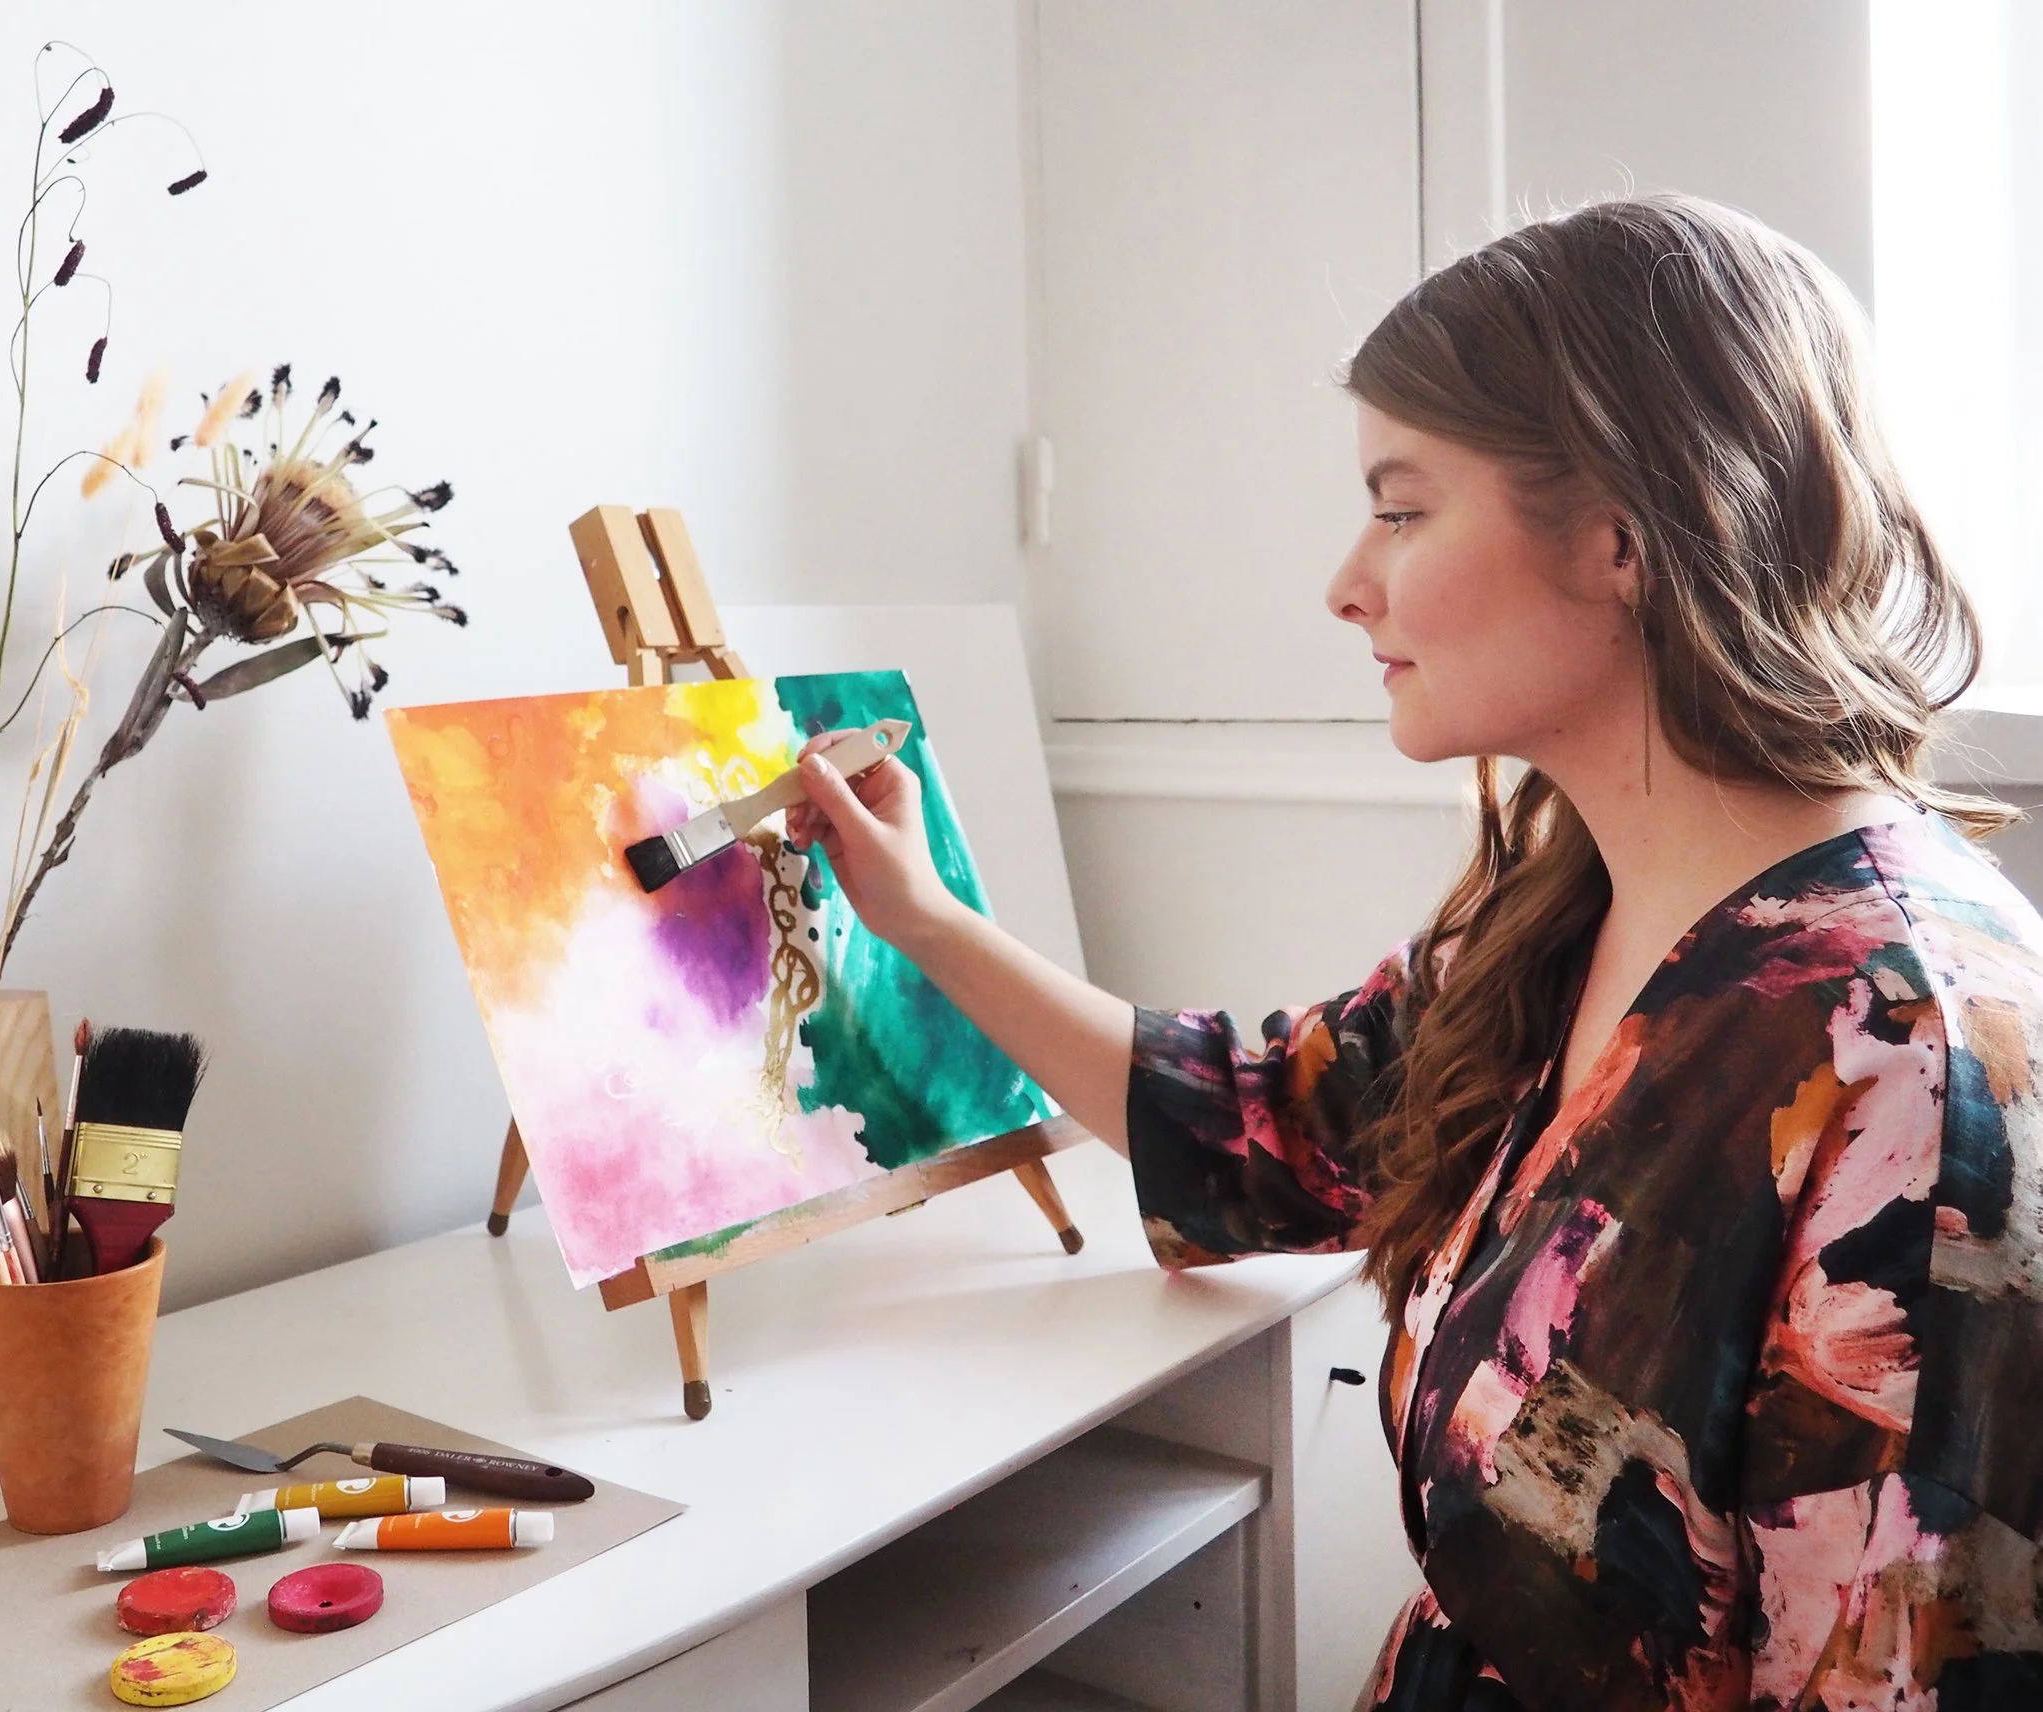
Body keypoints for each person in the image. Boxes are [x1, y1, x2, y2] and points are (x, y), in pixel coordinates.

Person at [786, 194, 2043, 1710]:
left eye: (1400, 506)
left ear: (1621, 538)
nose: (1346, 583)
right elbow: (1254, 1123)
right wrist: (919, 918)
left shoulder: (1910, 1061)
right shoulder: (1572, 910)